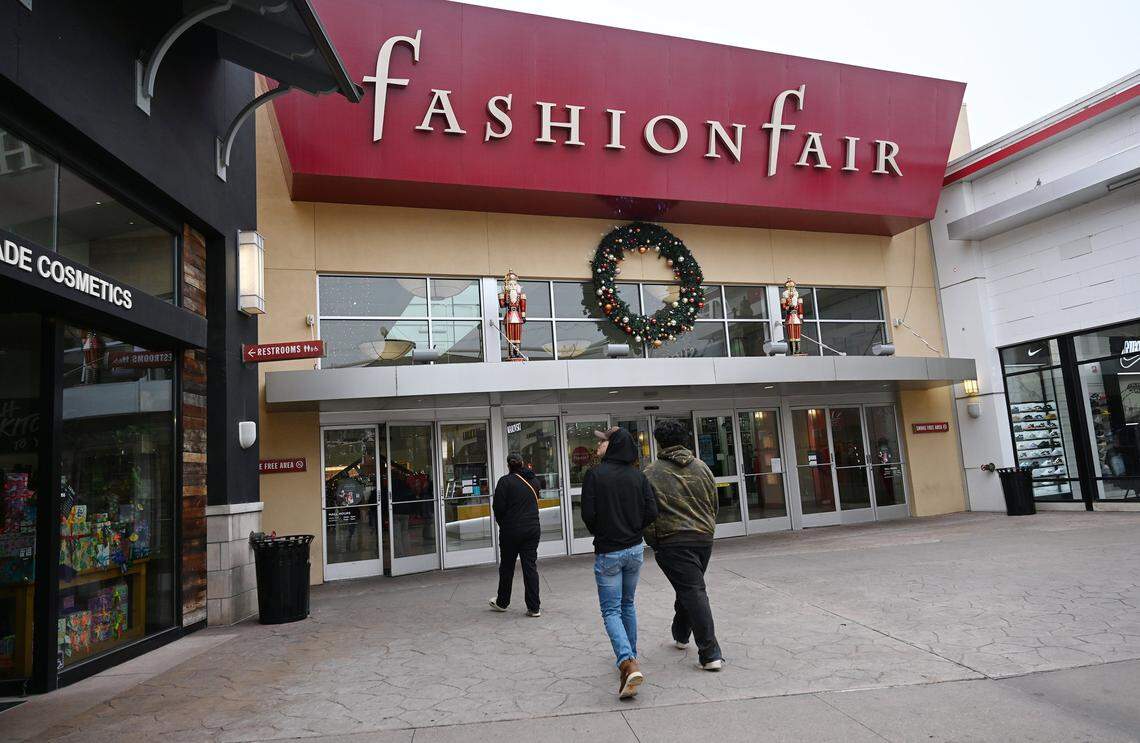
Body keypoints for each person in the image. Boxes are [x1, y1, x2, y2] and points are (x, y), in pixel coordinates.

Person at [582, 427, 659, 699]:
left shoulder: (595, 475)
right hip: (634, 549)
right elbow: (652, 510)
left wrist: (604, 532)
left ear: (612, 446)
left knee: (611, 610)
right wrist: (633, 528)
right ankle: (631, 658)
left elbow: (588, 514)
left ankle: (627, 661)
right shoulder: (638, 477)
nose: (599, 445)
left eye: (603, 442)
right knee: (627, 604)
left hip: (609, 552)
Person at [643, 418, 724, 671]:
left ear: (659, 441)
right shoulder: (702, 468)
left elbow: (647, 512)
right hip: (703, 538)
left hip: (672, 541)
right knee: (690, 587)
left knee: (692, 590)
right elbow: (714, 504)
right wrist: (707, 526)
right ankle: (680, 633)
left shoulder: (651, 473)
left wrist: (654, 540)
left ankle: (710, 652)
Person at [489, 452, 542, 617]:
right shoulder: (534, 481)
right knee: (530, 567)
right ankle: (534, 608)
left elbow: (498, 508)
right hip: (532, 529)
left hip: (511, 531)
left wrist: (504, 524)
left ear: (508, 465)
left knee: (507, 567)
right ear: (522, 463)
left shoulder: (504, 482)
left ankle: (502, 602)